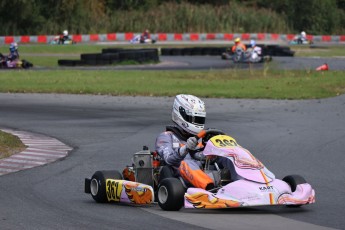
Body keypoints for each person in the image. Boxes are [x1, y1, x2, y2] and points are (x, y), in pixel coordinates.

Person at [155, 94, 237, 191]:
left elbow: (201, 157)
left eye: (199, 119)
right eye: (194, 119)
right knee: (187, 163)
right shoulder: (166, 136)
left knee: (229, 157)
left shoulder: (200, 138)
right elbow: (169, 159)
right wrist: (186, 148)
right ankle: (210, 189)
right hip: (178, 178)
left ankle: (241, 183)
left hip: (201, 172)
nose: (197, 122)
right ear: (180, 115)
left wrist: (214, 154)